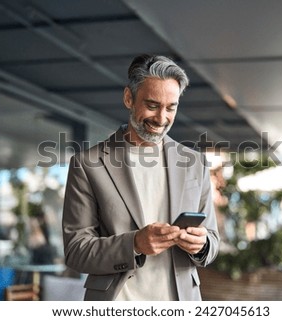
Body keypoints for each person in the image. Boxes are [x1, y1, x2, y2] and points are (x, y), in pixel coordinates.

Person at [62, 54, 219, 301]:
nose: (161, 118)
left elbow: (213, 241)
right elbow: (76, 251)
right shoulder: (87, 164)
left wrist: (202, 245)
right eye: (153, 105)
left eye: (171, 107)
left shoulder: (194, 163)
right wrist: (134, 244)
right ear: (129, 98)